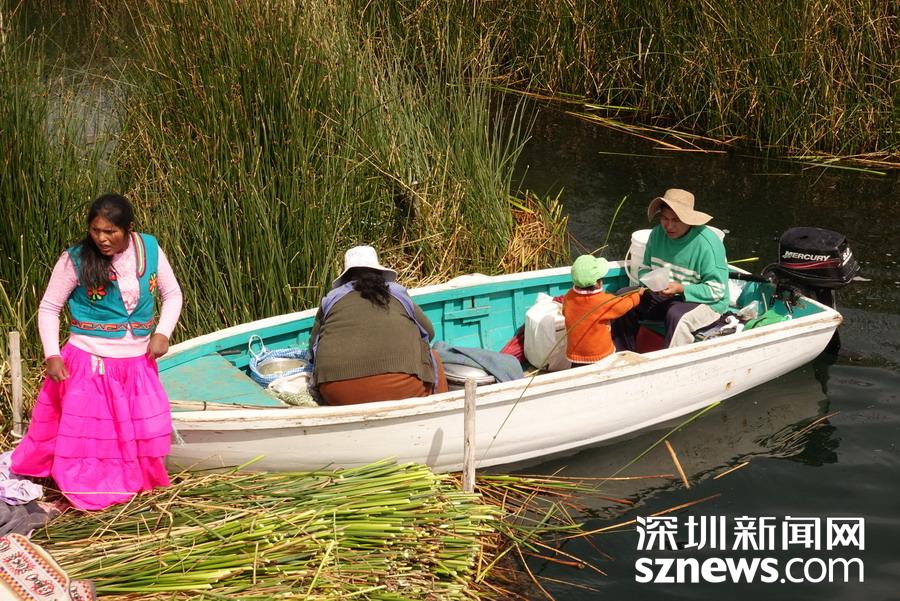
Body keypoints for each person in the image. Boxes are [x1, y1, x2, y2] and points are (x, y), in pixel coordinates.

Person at [11, 193, 182, 511]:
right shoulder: (75, 258)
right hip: (90, 363)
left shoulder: (149, 248)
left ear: (129, 228)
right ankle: (91, 488)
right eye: (95, 231)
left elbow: (172, 294)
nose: (102, 239)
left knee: (144, 429)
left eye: (110, 232)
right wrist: (52, 355)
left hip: (137, 365)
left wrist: (162, 333)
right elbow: (49, 307)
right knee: (90, 437)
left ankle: (131, 481)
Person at [309, 245, 448, 405]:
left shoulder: (331, 299)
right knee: (433, 356)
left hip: (337, 392)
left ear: (346, 276)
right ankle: (441, 406)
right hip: (404, 386)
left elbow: (313, 349)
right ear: (380, 272)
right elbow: (429, 332)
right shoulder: (397, 292)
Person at [613, 188, 729, 350]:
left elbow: (717, 291)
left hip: (707, 302)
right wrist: (652, 282)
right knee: (622, 298)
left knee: (677, 316)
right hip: (665, 295)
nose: (669, 225)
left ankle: (672, 362)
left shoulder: (707, 244)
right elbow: (644, 268)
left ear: (689, 220)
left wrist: (681, 289)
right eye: (665, 218)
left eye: (676, 220)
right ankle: (624, 353)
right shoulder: (657, 234)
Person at [563, 255, 643, 365]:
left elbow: (564, 312)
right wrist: (637, 296)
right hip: (599, 354)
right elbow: (622, 306)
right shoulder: (603, 301)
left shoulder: (569, 296)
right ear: (597, 283)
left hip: (575, 354)